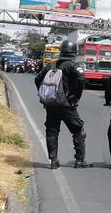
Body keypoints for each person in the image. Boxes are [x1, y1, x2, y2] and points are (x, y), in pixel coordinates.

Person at [34, 39, 87, 169]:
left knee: (52, 131)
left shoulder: (51, 65)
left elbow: (37, 79)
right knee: (78, 130)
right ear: (74, 52)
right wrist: (75, 96)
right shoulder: (73, 66)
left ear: (61, 51)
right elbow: (81, 79)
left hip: (51, 104)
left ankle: (53, 160)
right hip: (67, 104)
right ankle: (79, 161)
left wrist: (46, 95)